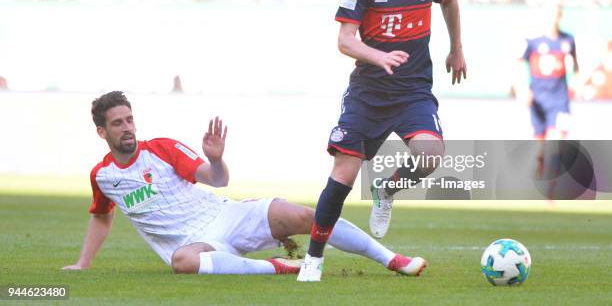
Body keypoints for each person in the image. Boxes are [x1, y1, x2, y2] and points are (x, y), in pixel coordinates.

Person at [62, 91, 425, 277]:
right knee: (182, 263)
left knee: (300, 215)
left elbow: (217, 181)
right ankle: (279, 267)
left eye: (129, 119)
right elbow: (101, 216)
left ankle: (391, 259)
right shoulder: (103, 176)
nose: (127, 128)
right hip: (194, 244)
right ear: (101, 131)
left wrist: (216, 159)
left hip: (224, 216)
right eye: (117, 123)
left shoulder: (161, 149)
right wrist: (82, 263)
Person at [297, 0, 466, 282]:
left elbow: (450, 2)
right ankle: (313, 259)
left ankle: (386, 189)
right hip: (368, 95)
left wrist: (456, 48)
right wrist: (379, 56)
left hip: (412, 92)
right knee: (342, 175)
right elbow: (344, 40)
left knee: (430, 155)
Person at [515, 0, 578, 140]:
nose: (552, 18)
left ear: (560, 15)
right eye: (549, 14)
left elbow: (576, 67)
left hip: (560, 101)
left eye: (555, 14)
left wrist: (576, 85)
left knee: (556, 143)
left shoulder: (567, 40)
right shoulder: (532, 41)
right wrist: (522, 89)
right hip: (538, 101)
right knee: (539, 147)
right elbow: (518, 65)